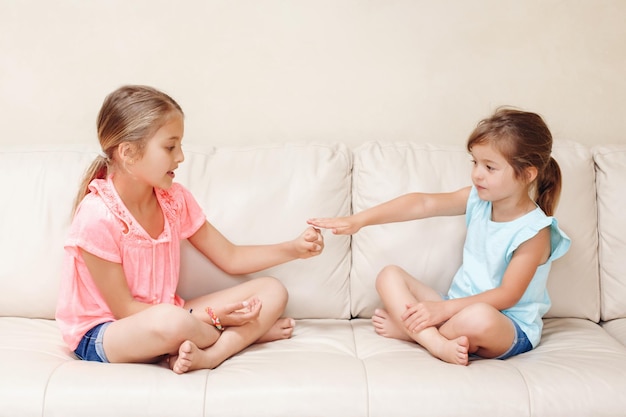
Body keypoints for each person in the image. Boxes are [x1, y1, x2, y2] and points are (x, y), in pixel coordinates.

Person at [56, 85, 324, 374]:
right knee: (173, 322)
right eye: (170, 147)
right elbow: (125, 310)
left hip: (171, 317)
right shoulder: (97, 215)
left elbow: (231, 257)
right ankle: (242, 336)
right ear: (128, 153)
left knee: (271, 290)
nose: (181, 156)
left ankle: (210, 354)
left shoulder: (175, 199)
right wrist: (211, 318)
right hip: (107, 333)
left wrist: (294, 249)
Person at [308, 108, 570, 365]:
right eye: (475, 163)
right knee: (389, 275)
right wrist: (358, 220)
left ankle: (417, 335)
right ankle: (434, 338)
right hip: (454, 309)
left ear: (527, 174)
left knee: (479, 317)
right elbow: (421, 203)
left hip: (507, 325)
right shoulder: (478, 200)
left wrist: (443, 311)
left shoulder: (535, 231)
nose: (477, 173)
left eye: (490, 167)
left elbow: (507, 295)